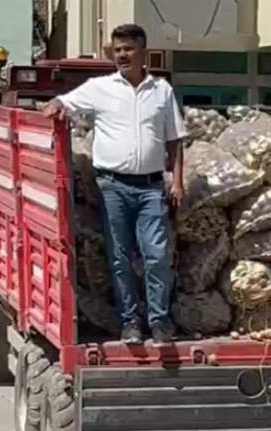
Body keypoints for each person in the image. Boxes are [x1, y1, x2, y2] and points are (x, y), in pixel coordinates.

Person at [40, 23, 186, 345]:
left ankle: (159, 322)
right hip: (113, 188)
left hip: (150, 188)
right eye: (117, 50)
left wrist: (176, 182)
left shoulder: (161, 92)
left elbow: (175, 141)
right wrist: (55, 106)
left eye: (127, 49)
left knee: (156, 254)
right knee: (119, 257)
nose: (121, 55)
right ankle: (130, 322)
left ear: (142, 50)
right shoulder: (100, 88)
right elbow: (65, 102)